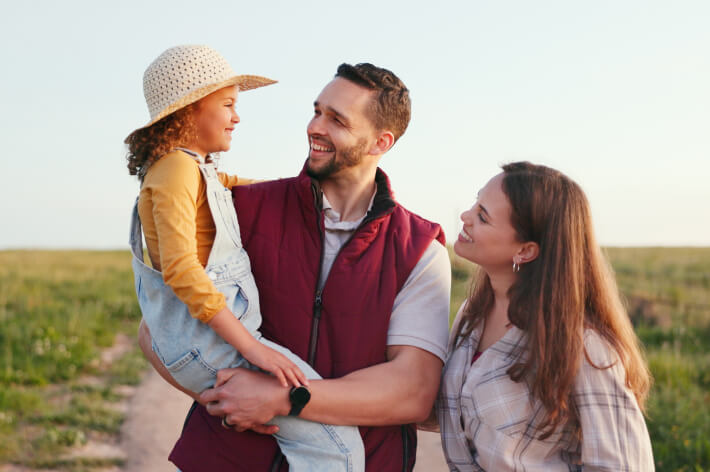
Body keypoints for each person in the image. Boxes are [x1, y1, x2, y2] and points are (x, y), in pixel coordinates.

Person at [139, 62, 452, 471]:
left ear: (380, 142)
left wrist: (281, 400)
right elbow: (158, 328)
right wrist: (224, 397)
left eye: (336, 119)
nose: (314, 127)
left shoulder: (420, 250)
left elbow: (412, 391)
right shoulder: (243, 210)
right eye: (317, 110)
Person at [126, 45, 365, 472]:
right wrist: (254, 349)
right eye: (228, 104)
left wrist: (311, 187)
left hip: (204, 340)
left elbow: (233, 187)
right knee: (339, 447)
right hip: (211, 339)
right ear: (189, 111)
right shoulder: (176, 171)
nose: (237, 117)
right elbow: (182, 272)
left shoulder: (189, 168)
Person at [436, 162, 654, 471]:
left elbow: (623, 464)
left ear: (525, 251)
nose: (466, 217)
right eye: (476, 202)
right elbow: (454, 416)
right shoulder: (470, 315)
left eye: (483, 216)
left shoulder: (583, 345)